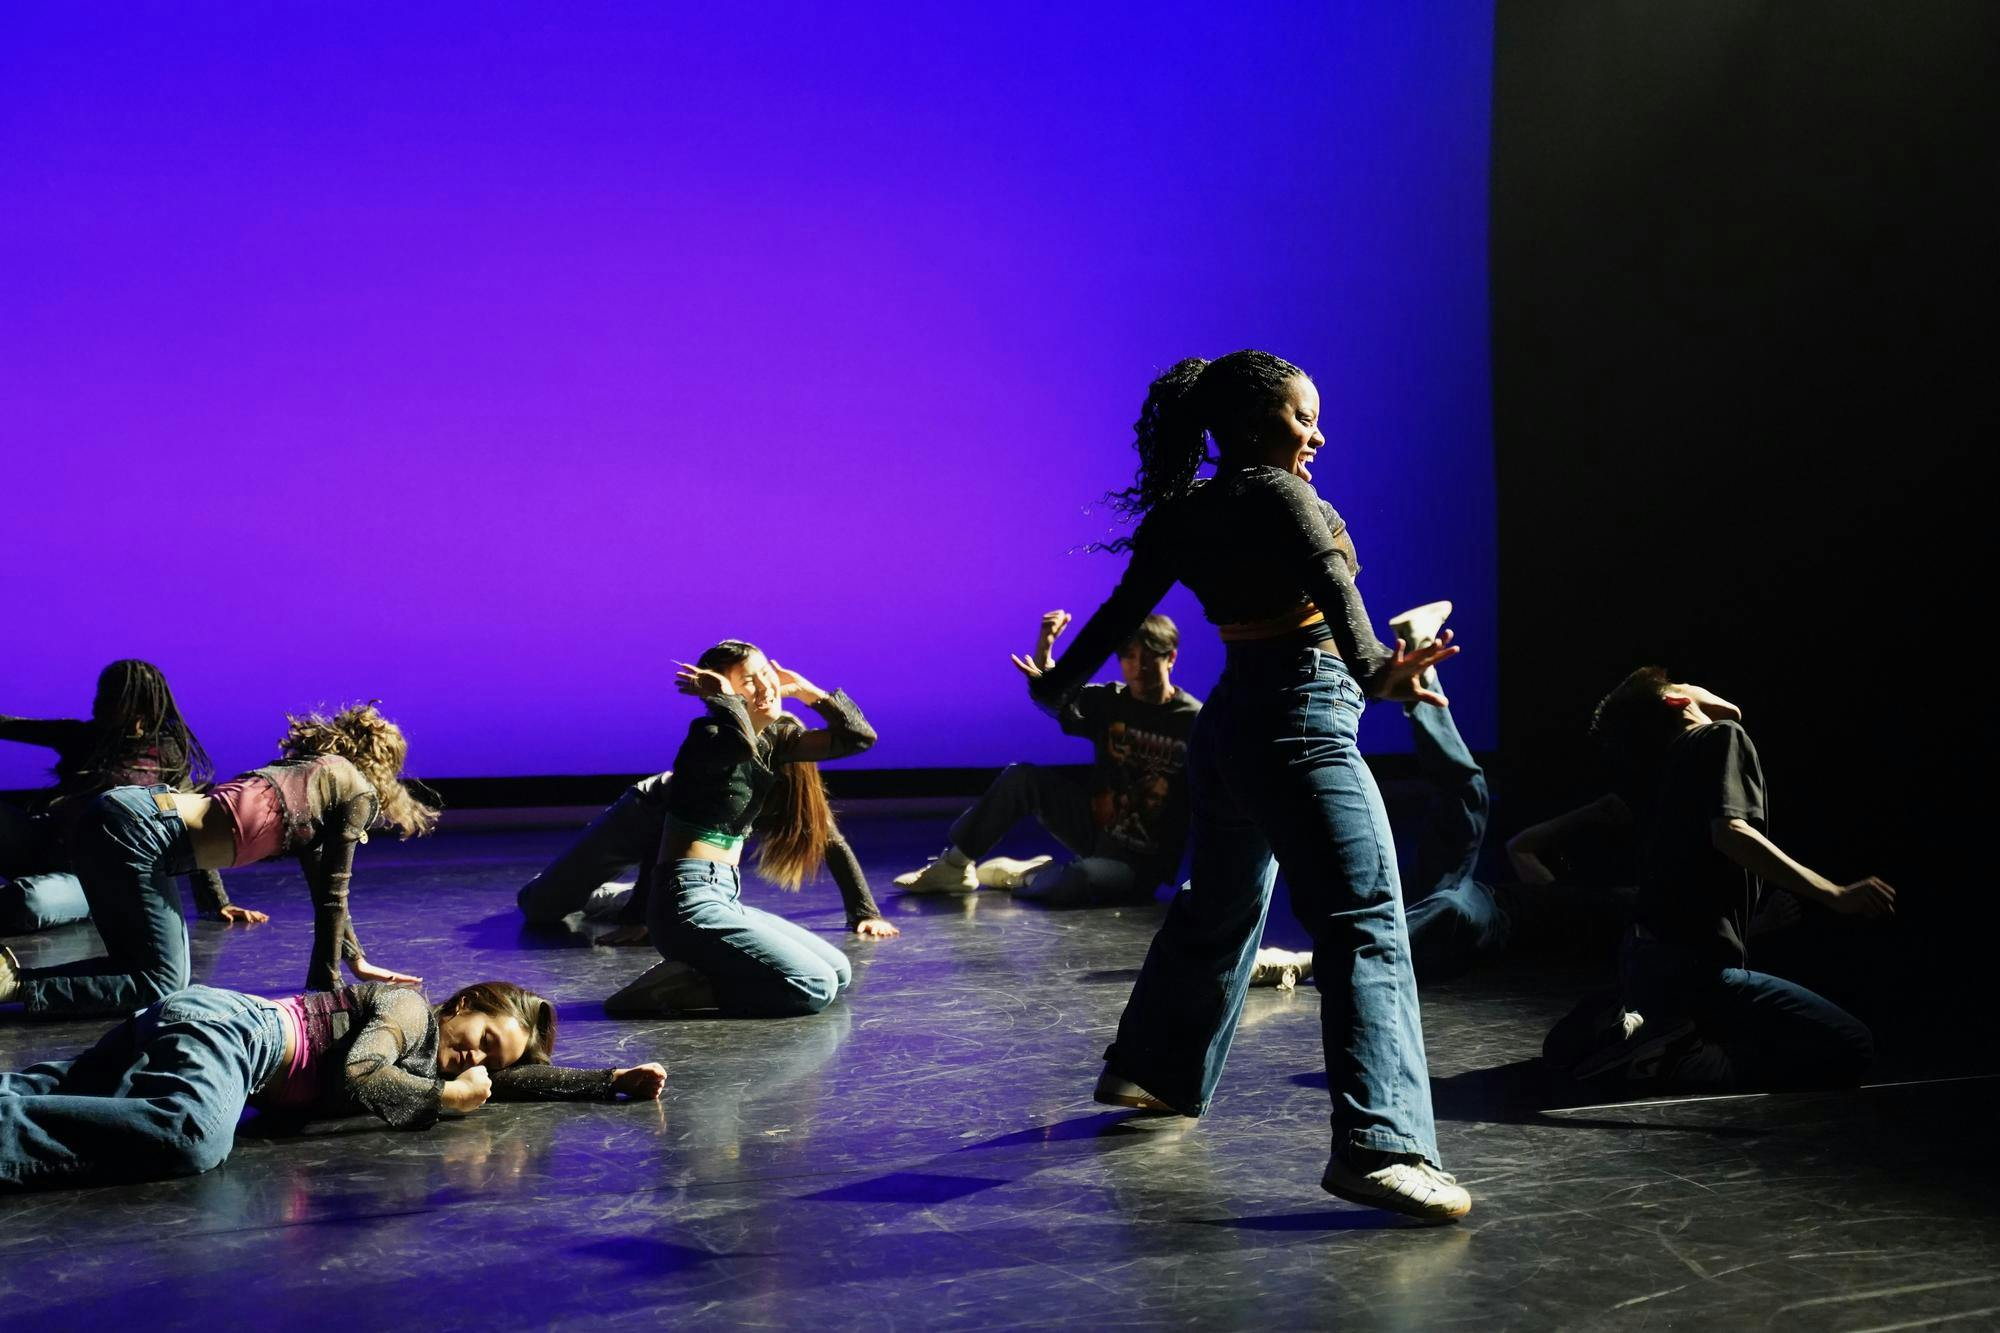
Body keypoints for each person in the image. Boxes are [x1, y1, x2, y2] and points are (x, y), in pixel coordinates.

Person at [1024, 350, 1468, 1223]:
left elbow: (1115, 616)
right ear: (1256, 424)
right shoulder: (1281, 494)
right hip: (1302, 718)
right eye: (1303, 418)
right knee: (1365, 919)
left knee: (1221, 904)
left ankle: (1151, 1068)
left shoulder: (1185, 510)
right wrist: (1379, 669)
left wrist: (1055, 686)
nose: (1317, 435)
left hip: (1230, 730)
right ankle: (1381, 1147)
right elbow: (1336, 596)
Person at [1539, 668, 1893, 1091]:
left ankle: (1640, 1028)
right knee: (1853, 1045)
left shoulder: (1668, 768)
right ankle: (1679, 1057)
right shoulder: (1720, 735)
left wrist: (1756, 925)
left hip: (1643, 964)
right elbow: (1730, 833)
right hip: (1692, 974)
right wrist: (1834, 893)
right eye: (1687, 682)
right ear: (1675, 699)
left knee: (1737, 1021)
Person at [0, 978, 667, 1190]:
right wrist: (447, 1099)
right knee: (192, 1135)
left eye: (491, 1060)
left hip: (199, 1027)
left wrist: (608, 1080)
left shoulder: (434, 1053)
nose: (476, 1058)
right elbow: (360, 1071)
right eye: (483, 1039)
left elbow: (514, 1084)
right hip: (234, 1034)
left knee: (71, 1088)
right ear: (463, 1004)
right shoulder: (410, 1011)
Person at [0, 703, 434, 1019]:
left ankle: (12, 978)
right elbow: (334, 896)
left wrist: (354, 959)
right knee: (161, 982)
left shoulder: (311, 772)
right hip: (140, 832)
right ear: (383, 768)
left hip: (125, 814)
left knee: (145, 970)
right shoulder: (357, 791)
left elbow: (325, 887)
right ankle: (12, 984)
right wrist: (327, 989)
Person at [605, 640, 878, 1018]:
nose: (765, 685)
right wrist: (722, 700)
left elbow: (859, 737)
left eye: (767, 673)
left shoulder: (775, 741)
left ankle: (696, 974)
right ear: (722, 691)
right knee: (814, 985)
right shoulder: (708, 737)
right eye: (749, 680)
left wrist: (805, 691)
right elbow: (739, 747)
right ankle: (676, 989)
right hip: (686, 900)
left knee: (839, 972)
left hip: (725, 895)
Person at [895, 612, 1200, 907]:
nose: (1138, 667)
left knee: (1079, 877)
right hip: (1096, 832)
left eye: (1149, 657)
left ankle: (1027, 876)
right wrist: (1045, 647)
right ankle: (955, 866)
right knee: (1021, 778)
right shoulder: (1112, 701)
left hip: (1140, 864)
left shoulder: (1193, 719)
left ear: (1171, 658)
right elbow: (1058, 694)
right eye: (1129, 657)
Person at [1, 660, 258, 933]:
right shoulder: (82, 736)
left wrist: (217, 902)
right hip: (45, 850)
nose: (98, 702)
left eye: (111, 696)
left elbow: (189, 825)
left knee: (30, 901)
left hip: (92, 881)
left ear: (140, 705)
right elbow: (9, 726)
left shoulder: (165, 756)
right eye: (100, 692)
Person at [517, 774, 897, 939]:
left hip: (661, 844)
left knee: (650, 911)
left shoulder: (797, 794)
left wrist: (864, 913)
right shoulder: (729, 781)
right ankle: (577, 886)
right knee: (540, 907)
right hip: (641, 814)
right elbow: (662, 842)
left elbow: (834, 844)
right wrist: (639, 916)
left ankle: (610, 895)